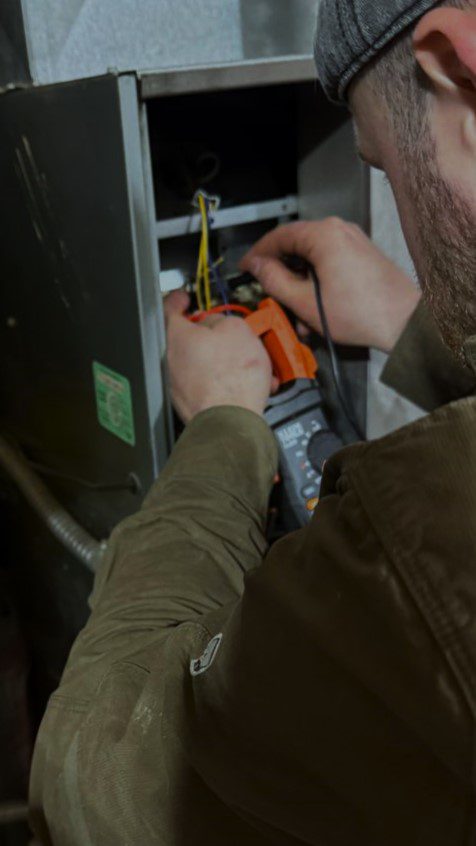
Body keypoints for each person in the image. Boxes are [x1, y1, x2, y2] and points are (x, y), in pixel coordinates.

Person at [30, 1, 476, 843]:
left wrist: (227, 425)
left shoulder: (432, 555)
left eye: (381, 169)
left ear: (454, 64)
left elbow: (89, 775)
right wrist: (411, 325)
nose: (402, 222)